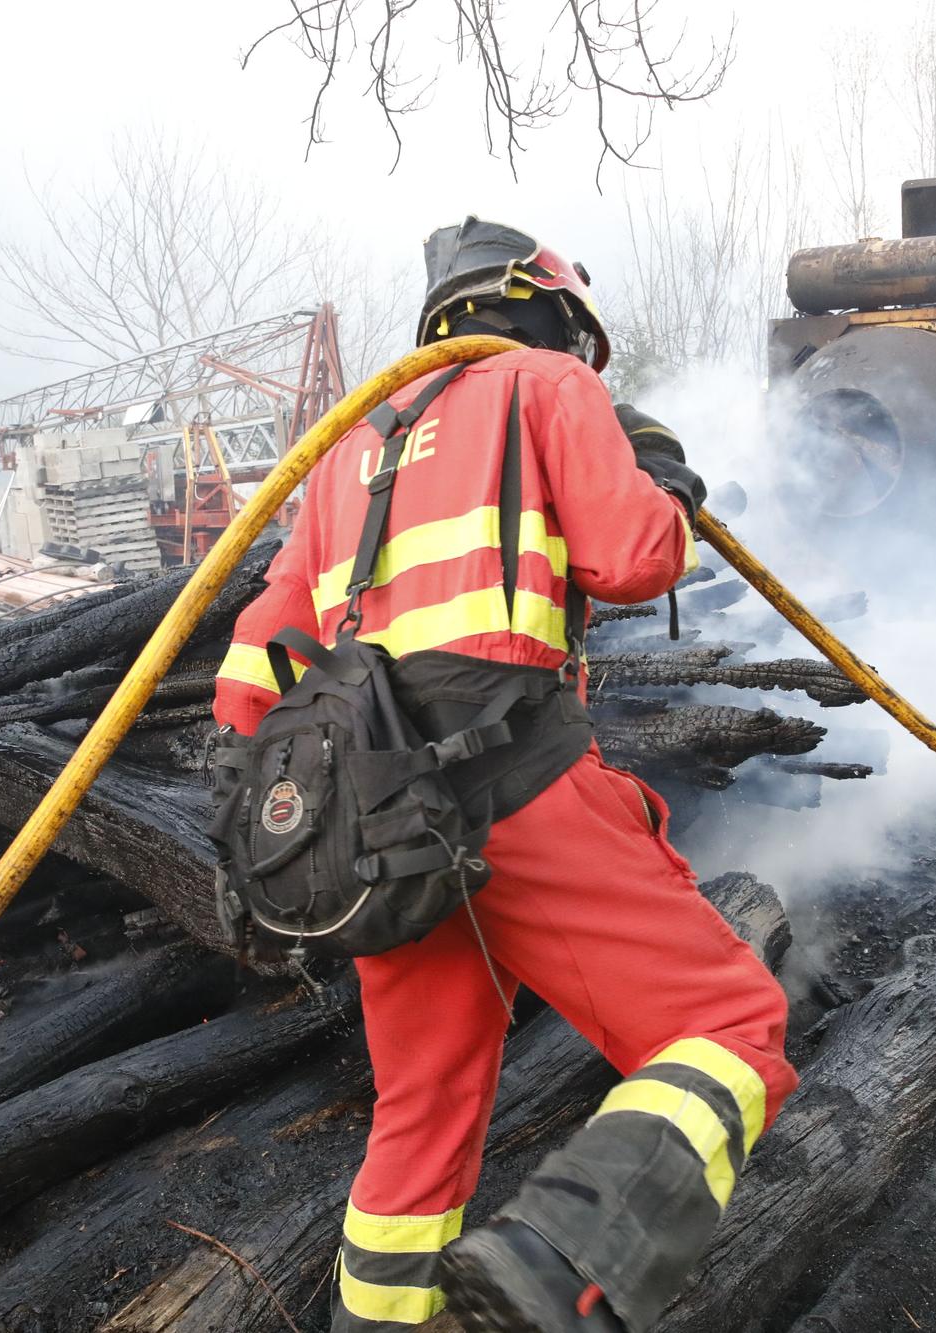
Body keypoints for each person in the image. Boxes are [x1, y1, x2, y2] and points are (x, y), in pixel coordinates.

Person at [213, 217, 796, 1333]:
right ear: (551, 314)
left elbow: (256, 655)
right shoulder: (545, 386)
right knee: (727, 1027)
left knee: (420, 1115)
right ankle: (560, 1259)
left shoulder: (347, 447)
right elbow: (633, 559)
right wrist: (663, 475)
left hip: (378, 829)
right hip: (515, 787)